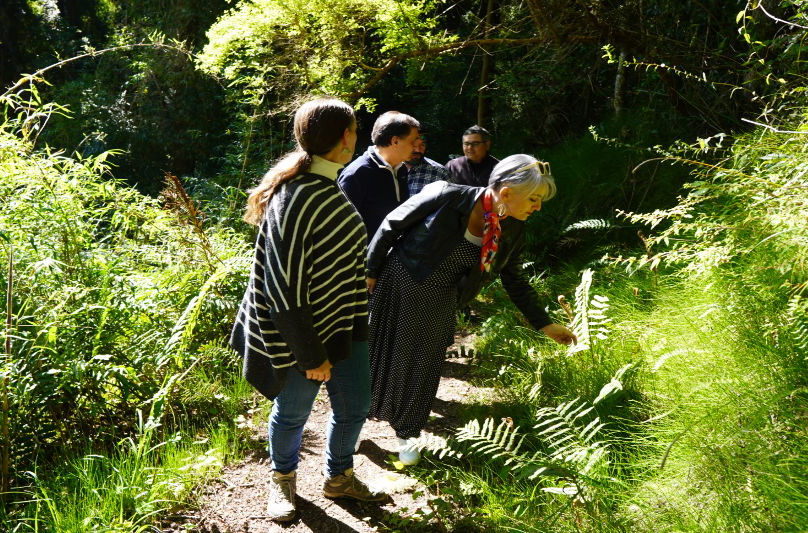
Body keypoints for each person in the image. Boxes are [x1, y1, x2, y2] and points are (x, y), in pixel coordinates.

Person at [230, 98, 386, 523]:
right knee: (294, 412)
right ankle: (281, 480)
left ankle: (339, 476)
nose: (356, 135)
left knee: (355, 405)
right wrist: (310, 354)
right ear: (344, 138)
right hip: (298, 335)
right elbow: (284, 286)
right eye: (354, 129)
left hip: (343, 323)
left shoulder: (324, 184)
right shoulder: (297, 197)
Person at [365, 154, 577, 465]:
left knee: (424, 365)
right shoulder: (446, 195)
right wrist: (370, 273)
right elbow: (390, 226)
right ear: (506, 193)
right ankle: (355, 418)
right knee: (380, 353)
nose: (538, 206)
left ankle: (406, 434)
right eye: (533, 198)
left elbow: (514, 279)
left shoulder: (514, 229)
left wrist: (545, 324)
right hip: (400, 282)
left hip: (442, 299)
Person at [338, 111, 421, 240]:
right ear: (395, 141)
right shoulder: (356, 174)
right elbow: (341, 228)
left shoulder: (401, 169)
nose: (417, 148)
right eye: (413, 141)